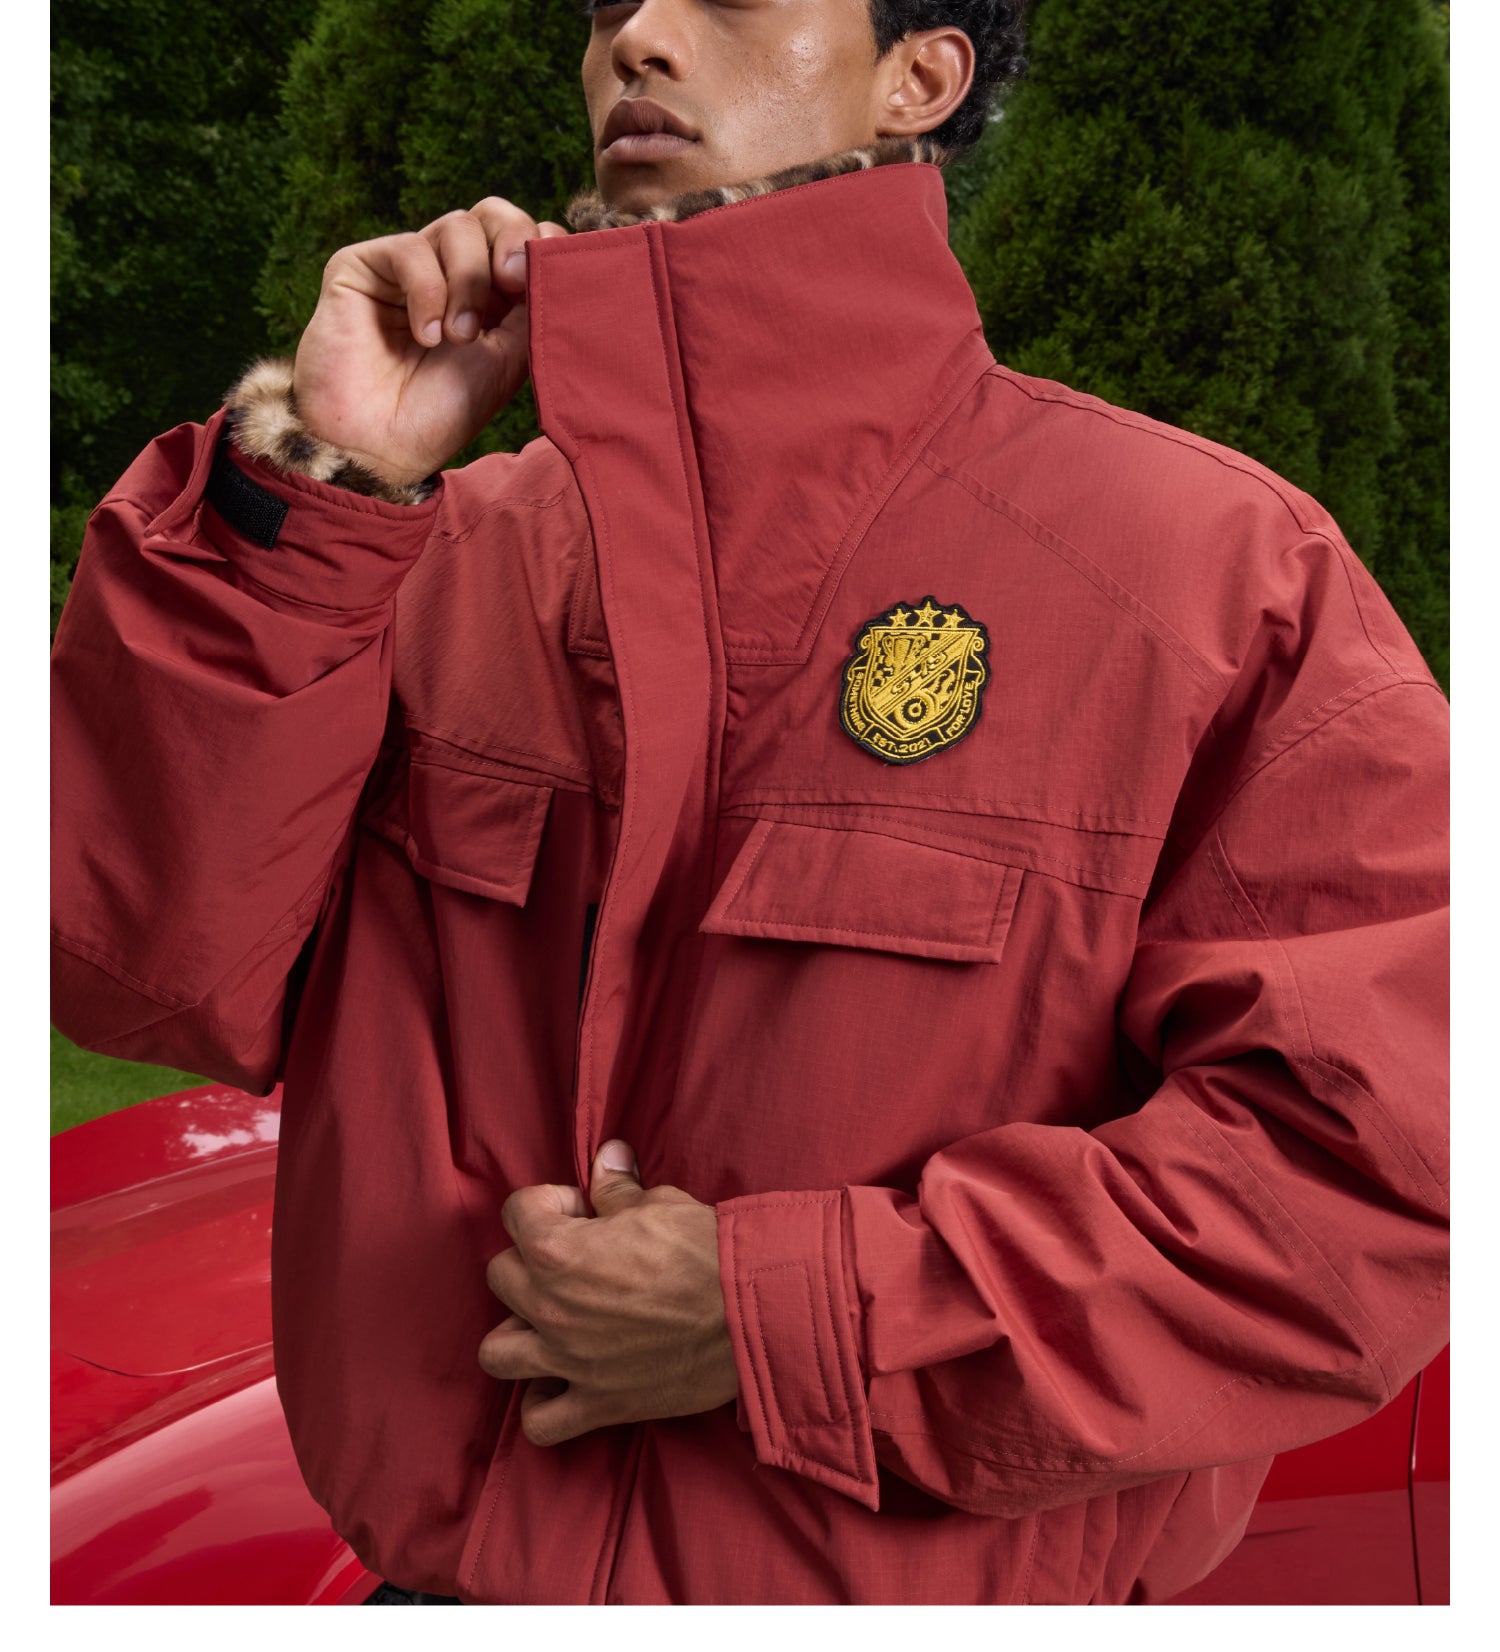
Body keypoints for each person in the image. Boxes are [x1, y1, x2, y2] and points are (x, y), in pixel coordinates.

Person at [50, 0, 1448, 1607]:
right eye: (608, 6)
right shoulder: (434, 556)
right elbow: (135, 970)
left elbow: (1377, 1179)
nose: (638, 36)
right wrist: (323, 474)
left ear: (921, 77)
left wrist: (785, 1318)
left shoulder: (1209, 579)